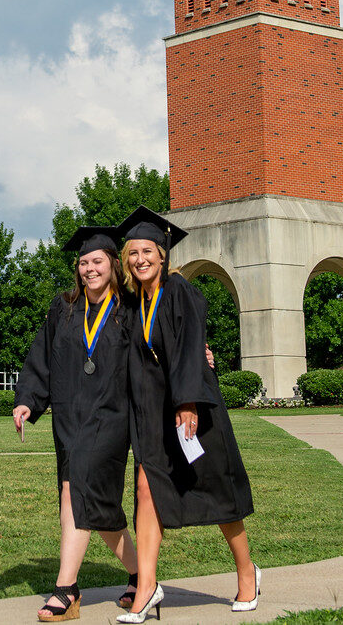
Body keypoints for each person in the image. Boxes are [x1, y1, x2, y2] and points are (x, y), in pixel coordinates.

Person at [114, 206, 257, 623]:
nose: (140, 259)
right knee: (146, 488)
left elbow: (193, 343)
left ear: (163, 255)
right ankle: (146, 589)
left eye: (147, 252)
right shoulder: (132, 301)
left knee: (215, 492)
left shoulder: (180, 291)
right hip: (152, 417)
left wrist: (189, 401)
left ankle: (247, 571)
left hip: (193, 412)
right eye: (132, 253)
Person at [13, 225, 140, 622]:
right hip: (70, 418)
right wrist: (27, 402)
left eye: (97, 261)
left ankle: (66, 590)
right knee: (97, 506)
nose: (89, 268)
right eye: (83, 262)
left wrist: (197, 355)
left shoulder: (130, 310)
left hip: (111, 417)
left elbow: (161, 349)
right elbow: (42, 360)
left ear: (113, 265)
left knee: (75, 491)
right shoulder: (64, 308)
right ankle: (141, 575)